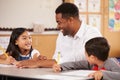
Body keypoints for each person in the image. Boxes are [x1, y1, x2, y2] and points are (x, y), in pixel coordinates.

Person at [16, 3, 102, 68]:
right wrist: (44, 61)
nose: (57, 26)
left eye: (59, 22)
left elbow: (81, 59)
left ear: (70, 20)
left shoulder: (92, 33)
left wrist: (38, 63)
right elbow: (56, 58)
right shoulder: (62, 35)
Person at [53, 37, 120, 80]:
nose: (84, 55)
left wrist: (103, 74)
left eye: (85, 53)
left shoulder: (111, 63)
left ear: (92, 57)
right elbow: (75, 64)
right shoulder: (91, 64)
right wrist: (61, 66)